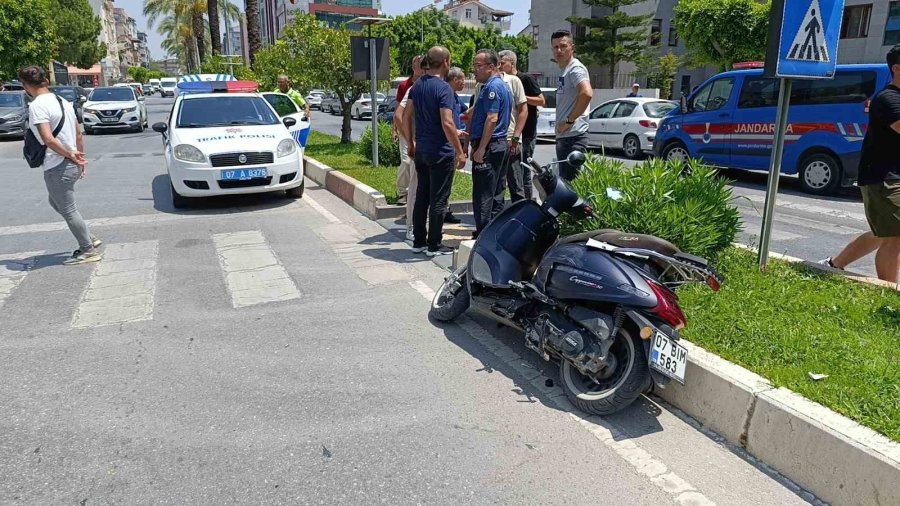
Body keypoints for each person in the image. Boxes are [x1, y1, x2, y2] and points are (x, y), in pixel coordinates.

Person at [820, 45, 900, 284]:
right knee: (895, 235)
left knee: (882, 233)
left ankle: (835, 264)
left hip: (890, 176)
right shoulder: (888, 99)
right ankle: (888, 291)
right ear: (897, 68)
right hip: (884, 177)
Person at [19, 65, 100, 265]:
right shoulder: (61, 101)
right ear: (45, 80)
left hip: (58, 164)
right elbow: (78, 133)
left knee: (68, 209)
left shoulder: (37, 105)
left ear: (25, 85)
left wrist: (70, 154)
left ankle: (87, 249)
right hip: (70, 162)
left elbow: (48, 139)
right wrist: (79, 157)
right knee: (55, 202)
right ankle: (88, 237)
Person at [401, 46, 467, 257]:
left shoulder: (417, 86)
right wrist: (459, 151)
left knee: (422, 196)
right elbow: (447, 123)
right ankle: (434, 245)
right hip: (441, 151)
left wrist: (411, 142)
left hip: (421, 150)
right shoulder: (444, 89)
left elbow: (405, 116)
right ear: (446, 62)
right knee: (439, 199)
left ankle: (419, 241)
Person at [469, 49, 512, 237]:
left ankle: (483, 233)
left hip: (491, 145)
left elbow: (492, 118)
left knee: (483, 194)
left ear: (492, 67)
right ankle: (492, 232)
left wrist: (481, 149)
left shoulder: (492, 88)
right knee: (496, 192)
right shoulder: (501, 85)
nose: (474, 70)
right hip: (499, 144)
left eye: (478, 66)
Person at [499, 50, 542, 202]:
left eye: (502, 63)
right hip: (510, 133)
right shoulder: (502, 81)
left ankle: (528, 204)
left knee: (524, 171)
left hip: (527, 132)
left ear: (512, 63)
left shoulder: (525, 79)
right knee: (510, 173)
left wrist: (521, 97)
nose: (500, 67)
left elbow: (541, 100)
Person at [551, 29, 593, 181]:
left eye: (563, 46)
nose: (559, 50)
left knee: (571, 189)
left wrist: (569, 121)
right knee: (566, 184)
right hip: (566, 137)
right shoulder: (565, 70)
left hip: (573, 137)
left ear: (572, 47)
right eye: (555, 47)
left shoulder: (575, 68)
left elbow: (586, 93)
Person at [395, 55, 425, 208]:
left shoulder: (429, 83)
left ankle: (416, 193)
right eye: (420, 64)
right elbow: (398, 113)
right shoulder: (405, 86)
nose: (424, 67)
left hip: (421, 131)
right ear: (414, 67)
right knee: (406, 161)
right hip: (406, 129)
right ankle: (402, 192)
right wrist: (401, 132)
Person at [442, 67, 470, 225]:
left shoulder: (455, 96)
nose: (464, 83)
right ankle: (442, 211)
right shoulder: (446, 95)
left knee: (449, 179)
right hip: (448, 142)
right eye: (462, 80)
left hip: (456, 140)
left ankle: (445, 209)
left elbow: (465, 112)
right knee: (445, 179)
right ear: (454, 79)